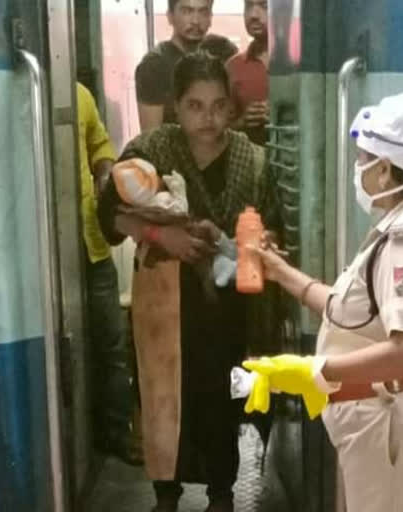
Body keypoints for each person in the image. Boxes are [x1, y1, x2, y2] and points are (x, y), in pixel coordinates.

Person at [245, 93, 403, 512]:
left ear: (384, 171)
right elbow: (353, 314)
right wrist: (279, 271)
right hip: (391, 417)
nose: (358, 168)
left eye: (363, 158)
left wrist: (316, 371)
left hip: (396, 420)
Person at [98, 51, 281, 512]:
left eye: (219, 105)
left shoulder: (253, 160)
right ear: (176, 107)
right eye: (195, 106)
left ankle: (222, 491)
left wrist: (254, 243)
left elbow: (274, 228)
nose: (209, 117)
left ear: (232, 108)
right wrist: (162, 234)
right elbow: (107, 213)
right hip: (164, 303)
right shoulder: (151, 151)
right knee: (162, 396)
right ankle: (166, 494)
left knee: (222, 397)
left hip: (230, 306)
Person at [75, 83, 140, 464]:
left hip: (91, 243)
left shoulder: (80, 95)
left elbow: (100, 145)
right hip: (45, 246)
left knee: (111, 343)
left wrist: (104, 173)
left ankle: (116, 432)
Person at [135, 0, 236, 131]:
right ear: (170, 16)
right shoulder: (154, 65)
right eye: (187, 11)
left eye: (203, 12)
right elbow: (150, 137)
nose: (195, 20)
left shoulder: (222, 51)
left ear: (210, 17)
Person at [226, 0, 270, 145]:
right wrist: (243, 122)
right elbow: (218, 131)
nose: (253, 15)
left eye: (264, 6)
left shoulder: (306, 64)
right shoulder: (233, 67)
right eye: (248, 6)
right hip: (250, 163)